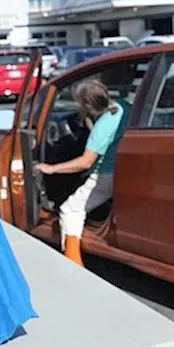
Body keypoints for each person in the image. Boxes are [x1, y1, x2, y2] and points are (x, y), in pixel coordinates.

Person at [36, 79, 130, 265]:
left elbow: (85, 163)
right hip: (123, 170)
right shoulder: (123, 107)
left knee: (70, 210)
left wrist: (52, 168)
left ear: (86, 105)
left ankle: (74, 263)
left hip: (105, 176)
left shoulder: (102, 127)